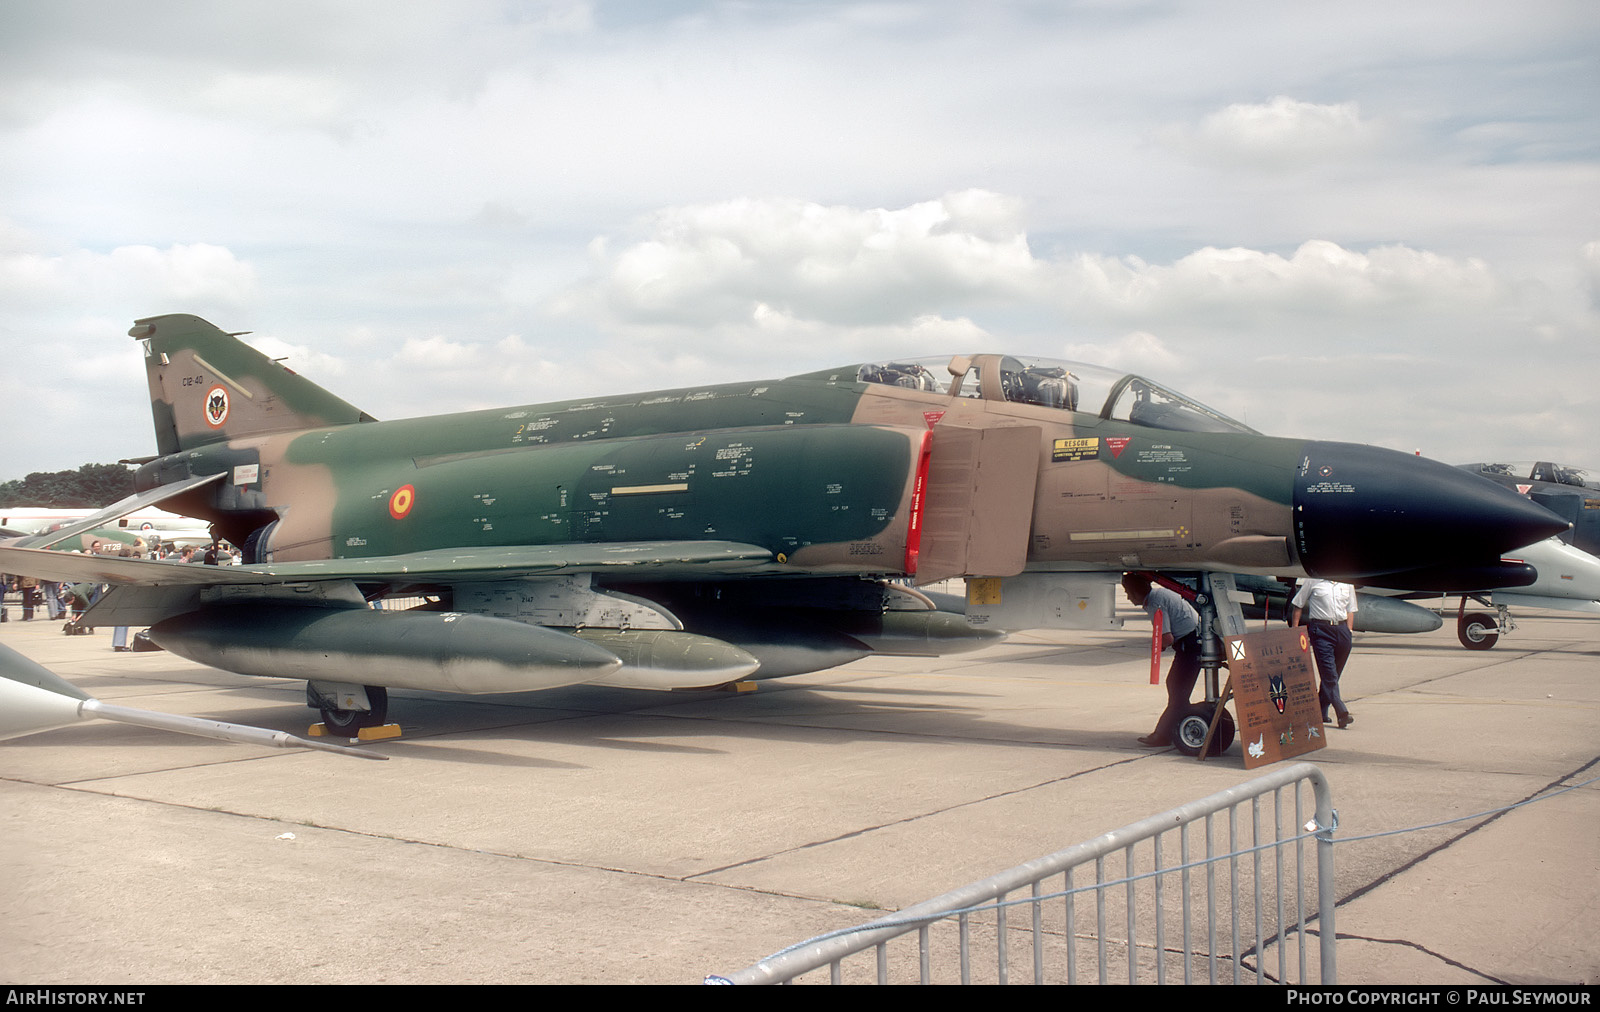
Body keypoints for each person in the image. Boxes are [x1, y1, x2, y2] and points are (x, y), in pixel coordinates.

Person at [1122, 573, 1202, 747]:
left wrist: (1156, 648)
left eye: (1128, 592)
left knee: (1177, 691)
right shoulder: (1158, 595)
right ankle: (1175, 727)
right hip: (1193, 641)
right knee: (1176, 688)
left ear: (1137, 592)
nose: (1128, 597)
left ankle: (1163, 735)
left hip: (1191, 645)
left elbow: (1166, 638)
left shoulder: (1154, 602)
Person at [1289, 579, 1357, 728]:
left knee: (1334, 674)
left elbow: (1351, 608)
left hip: (1342, 630)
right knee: (1329, 674)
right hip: (1321, 631)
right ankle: (1342, 713)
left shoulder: (1347, 582)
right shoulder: (1312, 582)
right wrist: (1295, 631)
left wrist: (1349, 630)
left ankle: (1321, 711)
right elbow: (1298, 605)